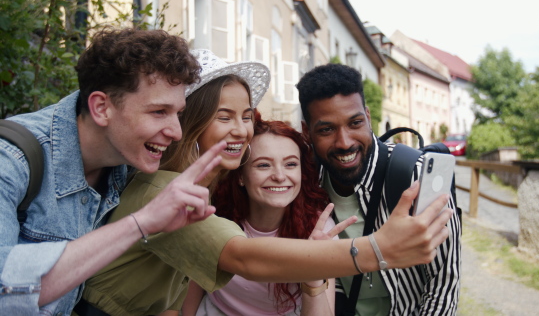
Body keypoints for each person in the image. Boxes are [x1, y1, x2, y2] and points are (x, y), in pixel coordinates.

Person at [77, 50, 452, 316]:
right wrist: (377, 249)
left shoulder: (207, 189)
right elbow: (244, 257)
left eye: (245, 116)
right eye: (224, 117)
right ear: (190, 122)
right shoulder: (161, 190)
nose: (241, 129)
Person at [0, 28, 226, 315]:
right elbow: (4, 290)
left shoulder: (127, 159)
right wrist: (141, 222)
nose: (176, 132)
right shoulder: (10, 161)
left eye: (178, 113)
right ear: (101, 107)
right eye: (159, 112)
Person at [296, 63, 462, 316]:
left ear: (368, 117)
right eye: (327, 129)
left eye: (355, 123)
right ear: (307, 132)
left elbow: (444, 285)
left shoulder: (415, 176)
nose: (345, 142)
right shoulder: (306, 183)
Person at [185, 119, 353, 316]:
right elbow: (191, 292)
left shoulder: (318, 229)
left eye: (290, 164)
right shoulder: (213, 217)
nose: (280, 176)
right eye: (263, 165)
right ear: (240, 176)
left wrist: (313, 273)